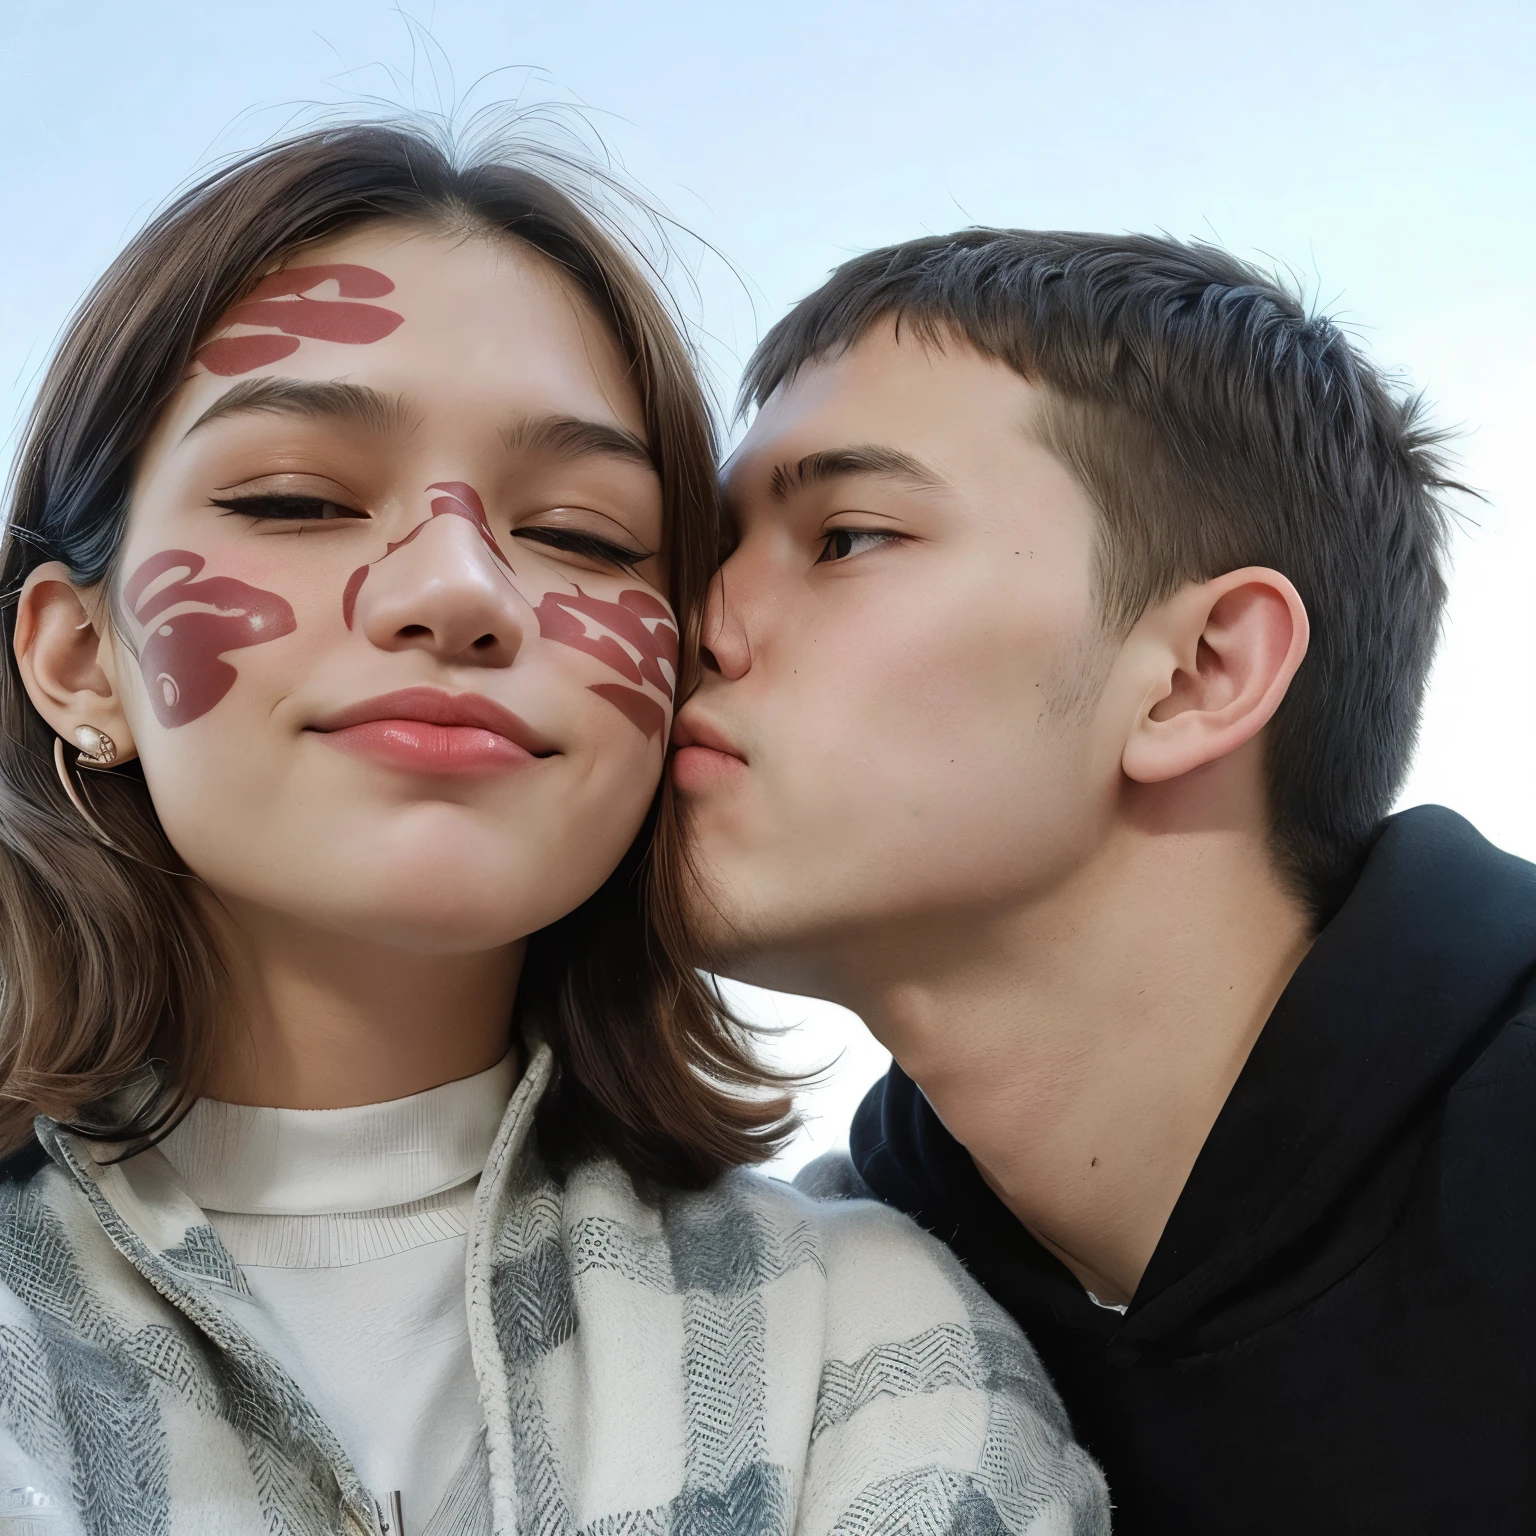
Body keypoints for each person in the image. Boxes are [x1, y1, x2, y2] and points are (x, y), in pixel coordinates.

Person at [0, 135, 1110, 1535]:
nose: (459, 586)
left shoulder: (861, 1342)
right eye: (295, 499)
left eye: (585, 535)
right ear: (76, 657)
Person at [674, 228, 1536, 1533]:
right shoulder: (819, 1331)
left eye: (845, 537)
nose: (692, 622)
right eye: (710, 550)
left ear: (1198, 676)